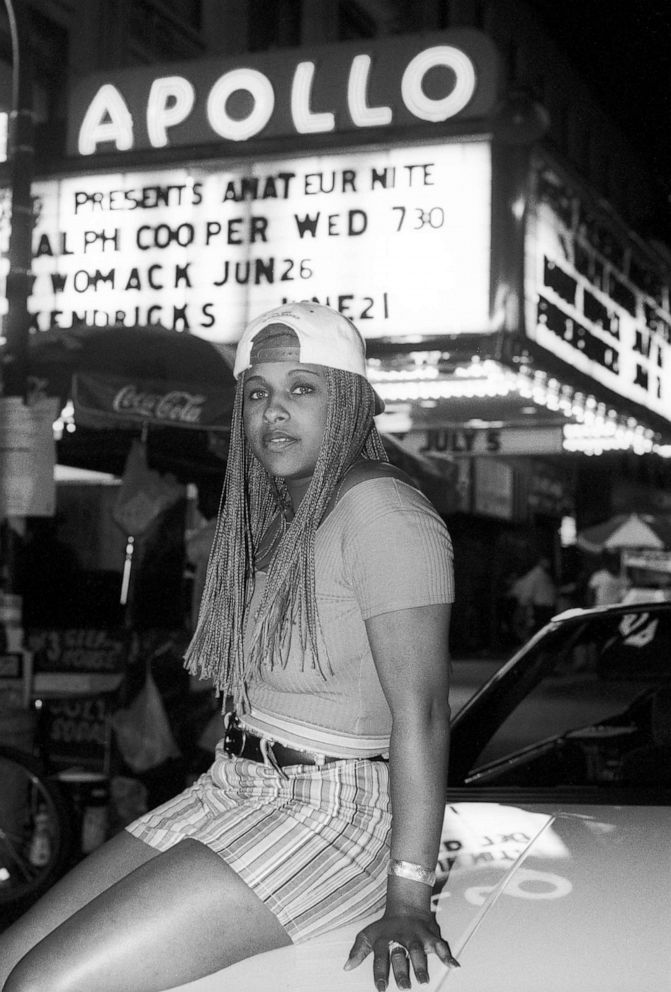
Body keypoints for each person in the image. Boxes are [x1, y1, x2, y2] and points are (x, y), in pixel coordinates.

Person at [1, 302, 458, 992]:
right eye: (257, 394)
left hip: (330, 813)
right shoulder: (279, 513)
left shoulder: (385, 513)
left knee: (44, 985)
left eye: (302, 389)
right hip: (233, 785)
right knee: (8, 962)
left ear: (352, 403)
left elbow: (421, 715)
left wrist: (409, 895)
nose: (274, 412)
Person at [510, 555, 557, 636]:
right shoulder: (536, 575)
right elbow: (527, 593)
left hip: (546, 608)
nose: (548, 564)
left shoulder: (542, 574)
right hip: (541, 609)